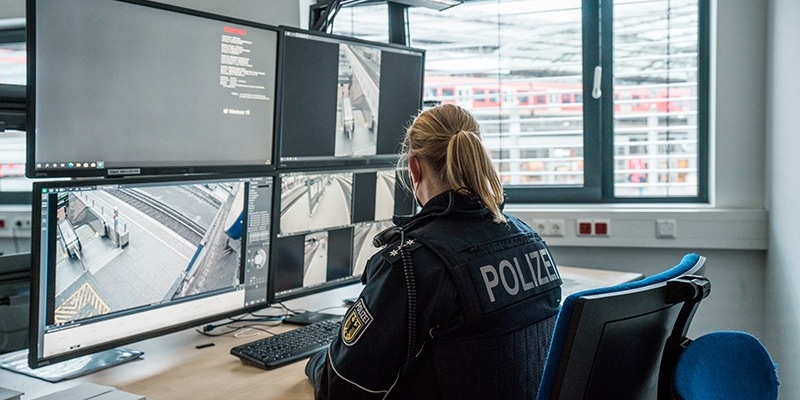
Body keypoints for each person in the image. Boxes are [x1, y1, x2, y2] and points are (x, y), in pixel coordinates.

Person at [305, 104, 562, 399]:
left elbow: (340, 388)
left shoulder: (411, 265)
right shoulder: (530, 241)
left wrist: (318, 363)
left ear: (414, 166)